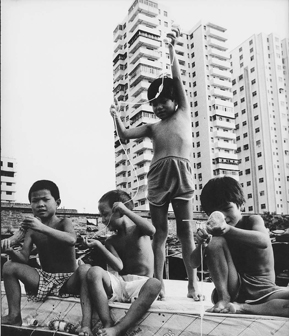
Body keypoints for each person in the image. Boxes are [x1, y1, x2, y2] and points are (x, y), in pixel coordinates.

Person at [110, 28, 202, 301]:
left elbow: (176, 77)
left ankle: (193, 283)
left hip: (182, 176)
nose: (159, 107)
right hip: (158, 179)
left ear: (175, 101)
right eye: (155, 104)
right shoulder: (152, 127)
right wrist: (116, 116)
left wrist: (172, 49)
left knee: (186, 232)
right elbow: (125, 135)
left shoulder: (184, 113)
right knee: (160, 233)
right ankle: (158, 284)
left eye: (164, 101)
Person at [192, 176, 289, 317]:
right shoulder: (214, 233)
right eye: (216, 213)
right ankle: (223, 298)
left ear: (241, 205)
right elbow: (193, 263)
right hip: (233, 290)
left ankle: (243, 308)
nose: (223, 217)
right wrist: (201, 244)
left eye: (227, 209)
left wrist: (228, 230)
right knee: (216, 241)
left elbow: (263, 241)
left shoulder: (252, 220)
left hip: (264, 292)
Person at [1, 180, 89, 326]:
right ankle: (14, 316)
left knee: (86, 270)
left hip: (68, 280)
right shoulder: (31, 229)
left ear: (57, 202)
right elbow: (23, 258)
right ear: (31, 205)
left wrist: (42, 227)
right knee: (9, 266)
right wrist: (11, 250)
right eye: (35, 201)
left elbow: (71, 240)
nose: (40, 204)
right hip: (44, 279)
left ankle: (86, 323)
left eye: (46, 199)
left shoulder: (64, 222)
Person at [78, 189, 161, 336]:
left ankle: (119, 329)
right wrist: (99, 245)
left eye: (105, 214)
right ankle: (107, 322)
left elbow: (152, 229)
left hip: (141, 284)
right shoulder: (111, 240)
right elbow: (119, 266)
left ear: (119, 210)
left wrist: (125, 210)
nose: (102, 220)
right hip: (121, 283)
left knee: (155, 284)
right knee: (94, 272)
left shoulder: (139, 230)